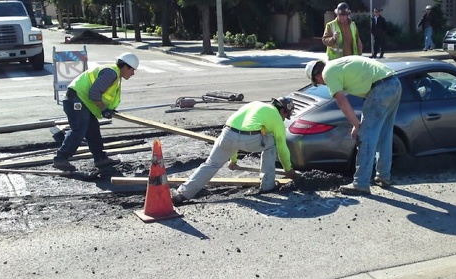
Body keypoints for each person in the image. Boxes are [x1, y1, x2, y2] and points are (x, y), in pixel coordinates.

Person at [171, 97, 299, 205]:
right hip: (248, 138)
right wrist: (288, 169)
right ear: (282, 110)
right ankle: (267, 185)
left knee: (211, 164)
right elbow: (282, 147)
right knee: (272, 143)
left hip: (226, 134)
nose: (284, 119)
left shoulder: (254, 105)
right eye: (285, 115)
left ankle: (182, 194)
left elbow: (236, 132)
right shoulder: (276, 117)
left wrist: (233, 160)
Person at [305, 56, 402, 195]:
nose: (322, 84)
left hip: (380, 88)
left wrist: (357, 125)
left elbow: (342, 102)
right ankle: (383, 176)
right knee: (384, 135)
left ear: (317, 76)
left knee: (365, 136)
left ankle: (361, 183)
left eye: (318, 83)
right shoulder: (337, 65)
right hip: (394, 83)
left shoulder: (328, 73)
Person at [52, 52, 139, 172]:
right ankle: (60, 158)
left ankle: (100, 158)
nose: (133, 73)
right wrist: (103, 109)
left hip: (83, 101)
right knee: (79, 129)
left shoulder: (113, 73)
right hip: (76, 100)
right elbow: (94, 93)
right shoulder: (111, 73)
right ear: (125, 66)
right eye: (132, 70)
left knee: (92, 128)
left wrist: (106, 109)